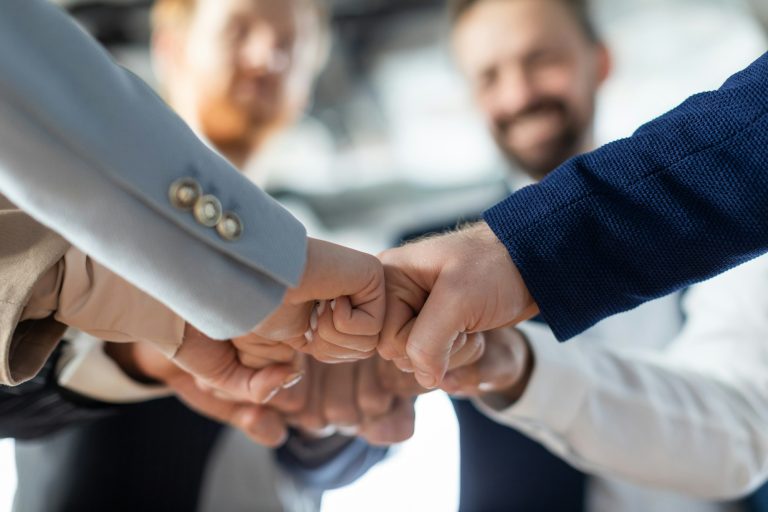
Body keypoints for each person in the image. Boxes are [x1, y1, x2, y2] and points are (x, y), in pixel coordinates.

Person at [4, 1, 402, 510]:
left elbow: (337, 466)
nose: (266, 57)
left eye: (290, 46)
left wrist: (329, 418)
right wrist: (137, 353)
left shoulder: (343, 257)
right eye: (239, 30)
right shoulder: (48, 205)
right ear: (171, 47)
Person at [378, 17, 768, 390]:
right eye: (488, 76)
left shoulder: (733, 226)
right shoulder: (425, 259)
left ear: (600, 61)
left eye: (542, 60)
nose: (518, 95)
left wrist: (521, 252)